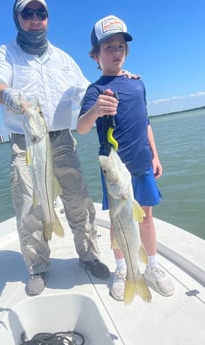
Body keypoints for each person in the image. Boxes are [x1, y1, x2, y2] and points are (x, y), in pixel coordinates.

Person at [0, 0, 110, 296]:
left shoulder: (63, 59)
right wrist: (9, 95)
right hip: (26, 141)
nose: (35, 19)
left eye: (41, 13)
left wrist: (117, 82)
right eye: (27, 13)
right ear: (17, 18)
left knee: (78, 200)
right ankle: (37, 266)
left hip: (63, 140)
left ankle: (89, 255)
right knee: (28, 205)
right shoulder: (7, 53)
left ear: (48, 18)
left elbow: (88, 91)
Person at [77, 15, 175, 301]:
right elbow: (82, 128)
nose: (116, 52)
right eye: (108, 48)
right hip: (115, 171)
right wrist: (95, 110)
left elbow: (146, 123)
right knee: (119, 223)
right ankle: (122, 270)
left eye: (120, 46)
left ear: (126, 52)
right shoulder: (95, 91)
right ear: (96, 56)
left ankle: (153, 267)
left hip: (142, 164)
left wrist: (155, 155)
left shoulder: (137, 84)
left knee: (145, 218)